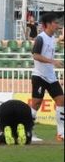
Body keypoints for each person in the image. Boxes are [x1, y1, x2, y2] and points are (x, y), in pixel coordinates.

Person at [29, 12, 64, 142]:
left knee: (61, 101)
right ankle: (29, 131)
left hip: (51, 76)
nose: (57, 25)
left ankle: (61, 133)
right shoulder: (40, 38)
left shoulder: (52, 38)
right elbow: (35, 55)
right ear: (48, 24)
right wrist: (53, 62)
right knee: (36, 104)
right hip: (39, 76)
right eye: (55, 22)